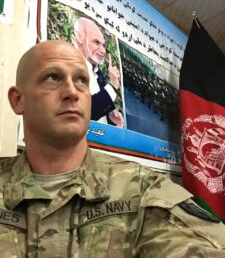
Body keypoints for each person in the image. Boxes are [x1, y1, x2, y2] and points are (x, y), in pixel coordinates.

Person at [1, 40, 225, 257]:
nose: (72, 92)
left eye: (81, 80)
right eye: (53, 78)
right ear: (18, 100)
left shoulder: (141, 189)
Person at [72, 17, 123, 127]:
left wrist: (111, 117)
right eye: (96, 42)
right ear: (79, 37)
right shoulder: (69, 66)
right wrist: (113, 85)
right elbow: (85, 112)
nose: (103, 51)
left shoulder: (97, 71)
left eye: (103, 45)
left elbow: (98, 109)